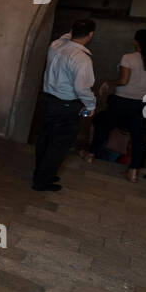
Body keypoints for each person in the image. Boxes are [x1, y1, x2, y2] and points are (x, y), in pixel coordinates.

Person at [84, 28, 146, 182]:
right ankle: (134, 171)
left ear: (135, 41)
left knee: (104, 127)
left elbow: (123, 81)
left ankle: (90, 155)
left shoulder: (128, 57)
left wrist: (108, 82)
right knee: (138, 136)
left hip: (123, 99)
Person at [33, 18, 96, 192]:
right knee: (58, 145)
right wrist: (91, 106)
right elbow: (82, 87)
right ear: (91, 35)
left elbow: (65, 36)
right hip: (66, 106)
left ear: (71, 31)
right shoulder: (82, 59)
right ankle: (41, 181)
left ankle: (43, 173)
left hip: (47, 101)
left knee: (45, 140)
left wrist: (73, 31)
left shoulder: (56, 45)